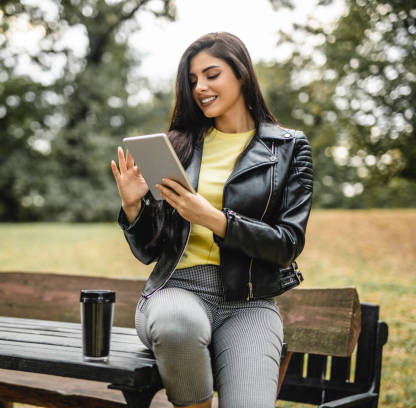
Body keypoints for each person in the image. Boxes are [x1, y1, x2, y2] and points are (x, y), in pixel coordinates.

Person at [110, 32, 313, 408]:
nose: (200, 87)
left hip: (250, 302)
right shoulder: (178, 146)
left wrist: (215, 219)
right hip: (177, 290)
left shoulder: (288, 148)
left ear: (241, 74)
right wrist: (134, 208)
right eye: (192, 80)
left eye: (211, 74)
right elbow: (149, 251)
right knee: (177, 324)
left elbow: (287, 245)